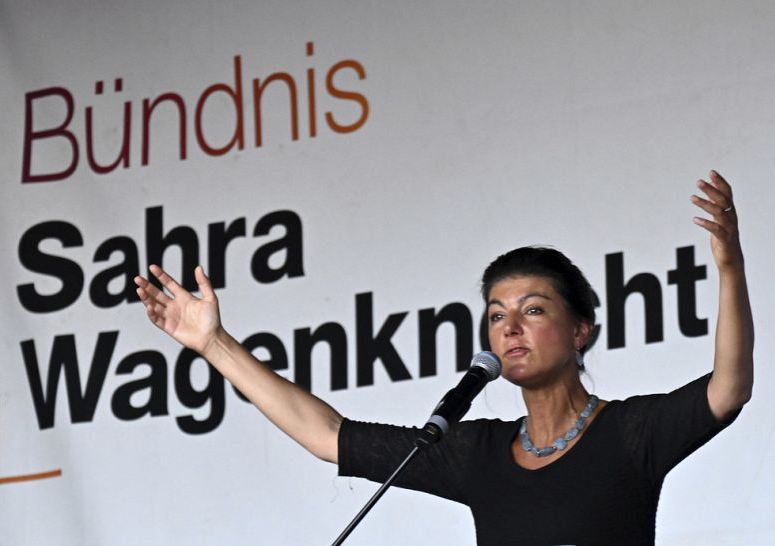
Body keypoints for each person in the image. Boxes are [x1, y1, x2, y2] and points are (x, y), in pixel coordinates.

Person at [134, 171, 753, 545]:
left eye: (534, 310)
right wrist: (214, 343)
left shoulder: (631, 434)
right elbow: (327, 436)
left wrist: (729, 266)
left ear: (581, 330)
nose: (510, 327)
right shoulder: (473, 453)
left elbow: (727, 389)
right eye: (496, 314)